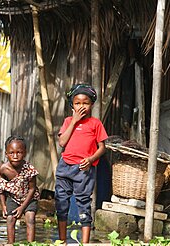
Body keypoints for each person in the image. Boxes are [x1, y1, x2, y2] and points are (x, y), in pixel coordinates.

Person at [55, 84, 108, 243]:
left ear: (91, 104)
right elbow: (62, 142)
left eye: (85, 103)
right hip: (65, 167)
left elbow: (102, 148)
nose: (81, 106)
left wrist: (91, 159)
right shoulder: (68, 121)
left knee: (84, 204)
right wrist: (74, 121)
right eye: (77, 103)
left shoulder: (95, 124)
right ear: (72, 105)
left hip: (84, 169)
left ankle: (85, 242)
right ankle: (62, 240)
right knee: (61, 203)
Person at [0, 136, 40, 244]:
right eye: (11, 153)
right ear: (6, 154)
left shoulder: (29, 169)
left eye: (19, 152)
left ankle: (31, 244)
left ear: (25, 153)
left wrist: (22, 207)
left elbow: (32, 189)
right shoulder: (3, 169)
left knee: (30, 217)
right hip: (13, 198)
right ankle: (10, 243)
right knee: (10, 219)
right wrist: (3, 207)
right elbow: (1, 189)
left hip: (29, 198)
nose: (15, 156)